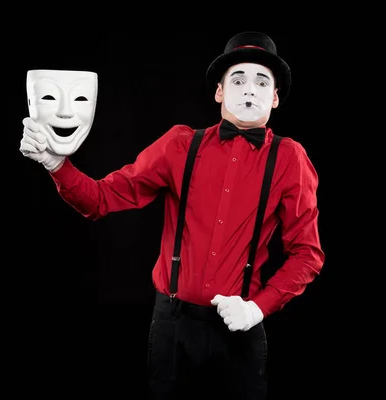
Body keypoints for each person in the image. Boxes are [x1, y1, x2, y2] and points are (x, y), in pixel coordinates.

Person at [19, 31, 325, 399]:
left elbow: (307, 254)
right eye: (238, 79)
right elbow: (101, 200)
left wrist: (258, 309)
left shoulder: (290, 159)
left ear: (274, 98)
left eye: (262, 82)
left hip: (241, 333)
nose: (249, 89)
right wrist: (56, 164)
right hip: (172, 326)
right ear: (219, 92)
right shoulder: (179, 145)